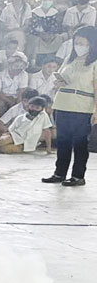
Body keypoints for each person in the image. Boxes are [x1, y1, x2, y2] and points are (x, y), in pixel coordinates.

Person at [42, 25, 97, 186]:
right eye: (76, 43)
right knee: (63, 141)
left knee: (80, 143)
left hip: (82, 106)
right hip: (63, 103)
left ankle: (78, 175)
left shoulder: (94, 62)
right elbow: (62, 77)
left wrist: (96, 110)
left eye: (82, 43)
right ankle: (59, 173)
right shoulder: (70, 59)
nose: (78, 46)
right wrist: (59, 82)